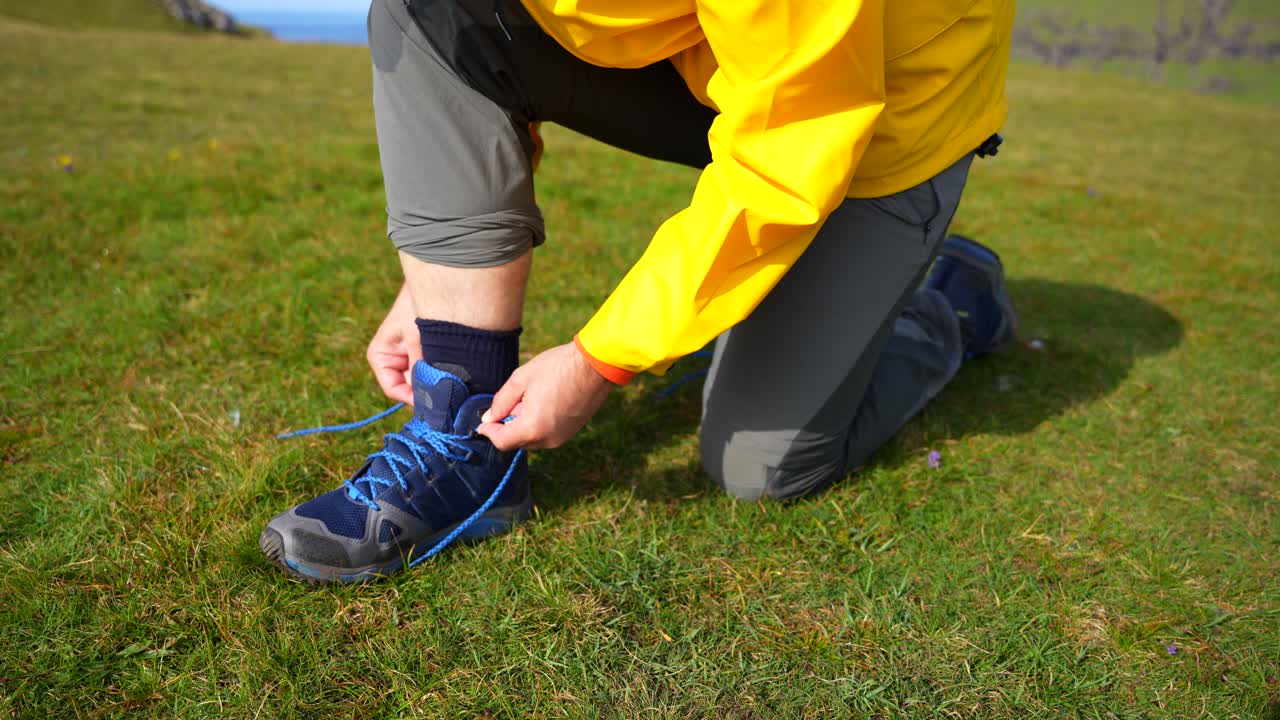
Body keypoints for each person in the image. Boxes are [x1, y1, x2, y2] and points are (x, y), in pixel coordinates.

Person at [259, 0, 1019, 583]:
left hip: (889, 121)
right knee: (427, 13)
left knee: (762, 469)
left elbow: (793, 147)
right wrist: (440, 272)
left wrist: (602, 360)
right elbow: (482, 45)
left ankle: (945, 301)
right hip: (726, 62)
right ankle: (470, 458)